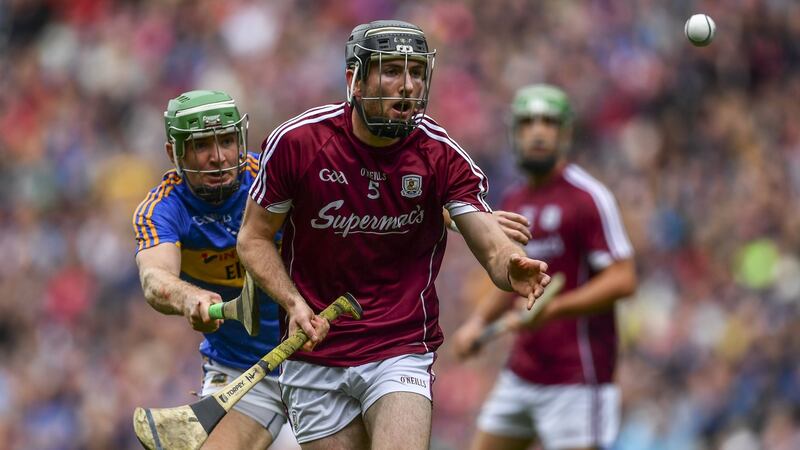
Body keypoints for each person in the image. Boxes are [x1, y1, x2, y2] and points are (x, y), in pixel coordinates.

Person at [236, 20, 551, 449]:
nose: (407, 86)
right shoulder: (298, 143)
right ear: (355, 81)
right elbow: (253, 238)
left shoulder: (440, 154)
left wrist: (507, 263)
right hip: (314, 352)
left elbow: (486, 236)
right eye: (391, 71)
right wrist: (293, 303)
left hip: (398, 345)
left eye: (417, 73)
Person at [132, 90, 329, 449]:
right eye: (202, 145)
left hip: (322, 354)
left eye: (226, 141)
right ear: (173, 153)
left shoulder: (273, 177)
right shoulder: (163, 207)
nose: (219, 157)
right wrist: (189, 297)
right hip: (242, 370)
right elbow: (154, 277)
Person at [451, 84, 638, 450]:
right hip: (524, 371)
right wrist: (478, 323)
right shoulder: (514, 199)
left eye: (549, 122)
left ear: (565, 133)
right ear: (514, 133)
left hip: (577, 379)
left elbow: (623, 279)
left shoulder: (588, 198)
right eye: (527, 122)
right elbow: (509, 278)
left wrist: (554, 309)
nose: (538, 131)